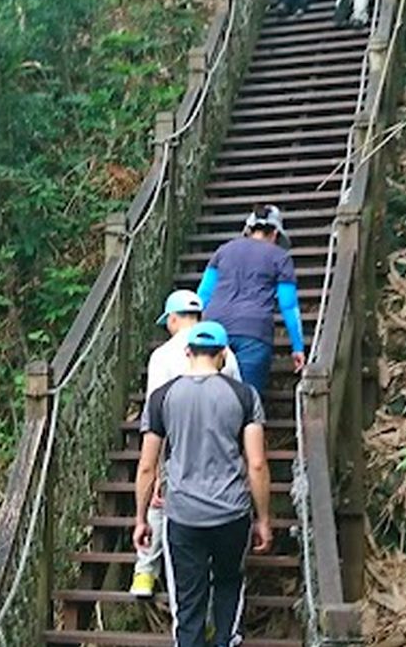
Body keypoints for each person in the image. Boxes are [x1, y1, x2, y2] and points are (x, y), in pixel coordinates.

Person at [133, 321, 273, 647]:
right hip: (232, 512)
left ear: (187, 352)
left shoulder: (161, 397)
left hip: (182, 514)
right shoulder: (244, 395)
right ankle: (226, 640)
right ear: (223, 353)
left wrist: (141, 518)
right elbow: (256, 463)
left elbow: (147, 466)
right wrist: (263, 518)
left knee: (188, 599)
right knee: (228, 583)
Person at [130, 290, 242, 598]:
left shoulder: (162, 355)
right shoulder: (225, 352)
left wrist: (156, 470)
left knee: (159, 503)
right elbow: (238, 399)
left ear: (173, 319)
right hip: (220, 448)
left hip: (176, 445)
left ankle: (145, 570)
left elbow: (156, 413)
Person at [196, 205, 306, 397]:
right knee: (247, 399)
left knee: (209, 397)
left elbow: (203, 295)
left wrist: (194, 333)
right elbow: (288, 305)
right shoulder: (280, 257)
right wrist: (297, 347)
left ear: (248, 230)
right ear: (275, 233)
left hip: (214, 329)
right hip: (254, 333)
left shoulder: (223, 251)